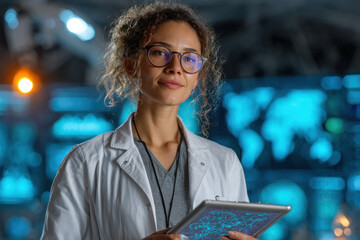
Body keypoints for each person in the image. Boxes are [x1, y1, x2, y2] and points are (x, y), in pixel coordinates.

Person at [41, 2, 256, 240]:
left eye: (189, 58)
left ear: (197, 77)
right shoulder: (85, 162)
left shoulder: (225, 163)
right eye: (160, 53)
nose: (175, 67)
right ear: (131, 65)